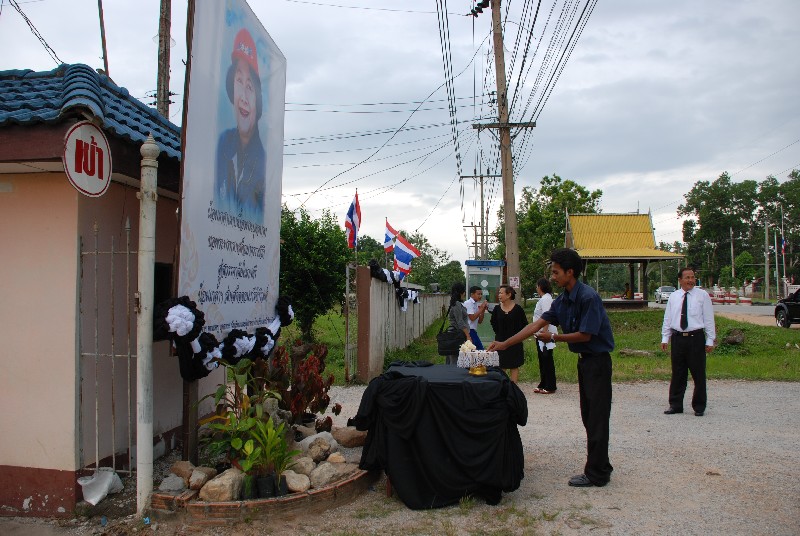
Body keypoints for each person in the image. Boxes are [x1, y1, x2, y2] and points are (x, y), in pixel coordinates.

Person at [489, 248, 614, 488]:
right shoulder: (562, 300)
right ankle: (601, 465)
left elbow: (586, 335)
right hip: (585, 362)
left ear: (570, 272)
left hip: (597, 362)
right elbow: (535, 325)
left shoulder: (588, 297)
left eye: (556, 272)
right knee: (589, 416)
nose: (553, 277)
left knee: (596, 418)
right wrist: (504, 344)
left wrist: (554, 338)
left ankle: (597, 473)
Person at [215, 27, 266, 223]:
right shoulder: (222, 144)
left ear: (258, 100)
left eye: (250, 87)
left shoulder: (263, 163)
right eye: (238, 81)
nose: (243, 97)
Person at [660, 267, 716, 417]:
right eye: (687, 277)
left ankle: (699, 406)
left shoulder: (702, 295)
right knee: (678, 373)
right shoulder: (674, 296)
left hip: (695, 338)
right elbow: (668, 318)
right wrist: (665, 337)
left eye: (692, 277)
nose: (691, 280)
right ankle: (675, 404)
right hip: (678, 338)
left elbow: (708, 318)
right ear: (680, 280)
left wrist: (710, 339)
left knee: (698, 373)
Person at [489, 285, 528, 383]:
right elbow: (493, 324)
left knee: (514, 366)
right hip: (500, 342)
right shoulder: (497, 309)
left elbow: (524, 325)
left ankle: (513, 388)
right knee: (501, 366)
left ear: (508, 295)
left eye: (501, 293)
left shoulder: (518, 309)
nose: (499, 295)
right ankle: (503, 387)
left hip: (515, 342)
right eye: (499, 293)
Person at [532, 277, 558, 394]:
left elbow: (547, 316)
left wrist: (545, 332)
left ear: (540, 287)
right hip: (540, 334)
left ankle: (550, 385)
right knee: (542, 359)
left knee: (547, 359)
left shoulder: (546, 299)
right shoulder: (543, 299)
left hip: (545, 335)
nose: (536, 288)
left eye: (537, 286)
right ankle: (543, 383)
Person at [444, 282, 470, 365]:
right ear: (461, 292)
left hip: (457, 335)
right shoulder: (457, 304)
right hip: (457, 336)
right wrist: (468, 336)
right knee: (455, 361)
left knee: (453, 360)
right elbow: (460, 322)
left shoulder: (456, 303)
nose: (465, 293)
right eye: (464, 291)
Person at [464, 285, 488, 350]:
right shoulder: (468, 303)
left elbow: (480, 321)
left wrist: (483, 310)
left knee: (479, 350)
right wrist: (481, 308)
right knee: (478, 350)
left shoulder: (475, 304)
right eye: (478, 294)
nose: (480, 296)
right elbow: (472, 318)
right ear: (472, 294)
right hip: (469, 331)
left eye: (481, 294)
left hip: (473, 330)